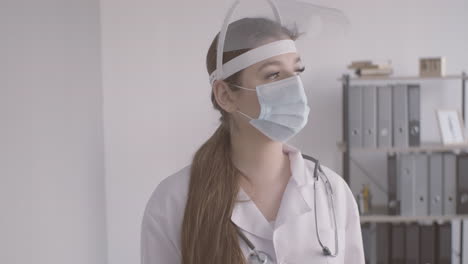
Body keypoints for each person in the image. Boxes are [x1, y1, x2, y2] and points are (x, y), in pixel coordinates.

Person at [141, 1, 364, 263]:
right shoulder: (173, 201)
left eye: (296, 71)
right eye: (272, 75)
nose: (293, 86)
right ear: (225, 95)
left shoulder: (332, 192)